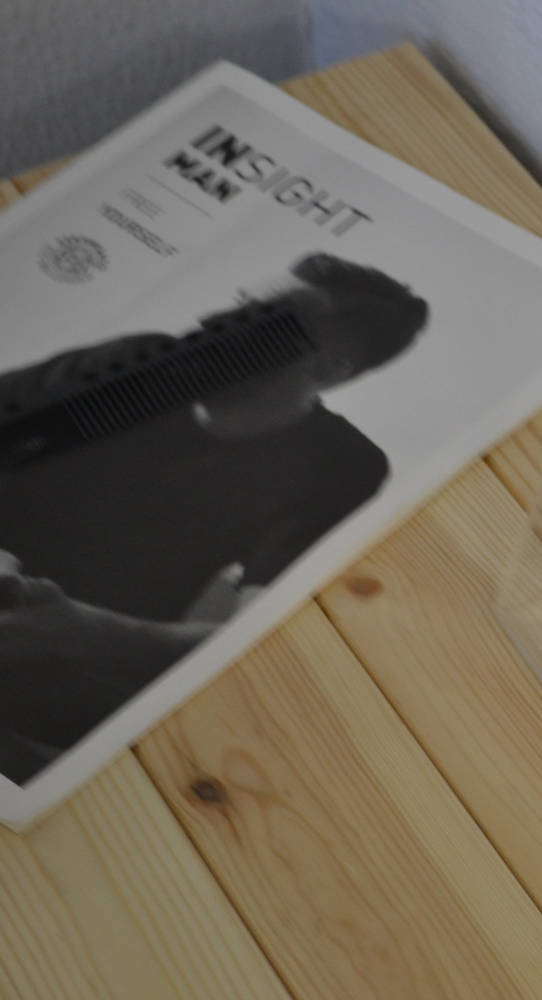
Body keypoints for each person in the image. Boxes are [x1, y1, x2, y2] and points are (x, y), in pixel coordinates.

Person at [0, 252, 428, 783]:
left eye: (263, 323)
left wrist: (78, 630)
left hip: (51, 689)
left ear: (323, 369)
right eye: (240, 303)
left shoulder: (339, 467)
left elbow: (254, 641)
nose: (212, 323)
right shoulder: (136, 359)